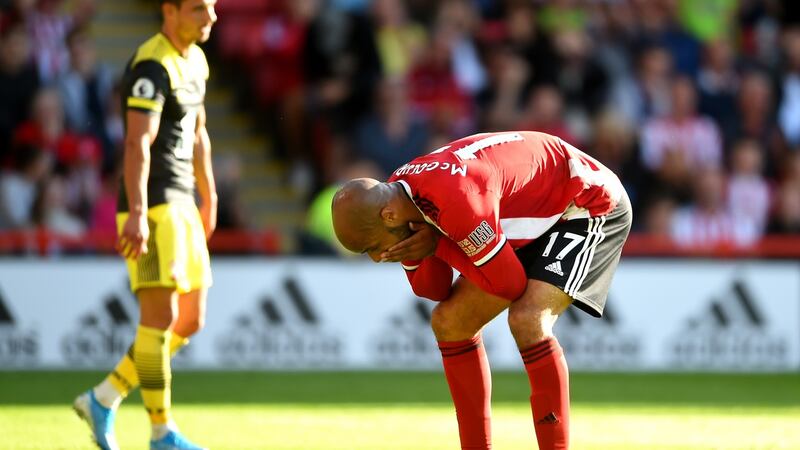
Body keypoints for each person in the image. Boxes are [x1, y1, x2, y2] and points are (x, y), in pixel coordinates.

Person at [332, 131, 632, 450]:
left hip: (585, 203)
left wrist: (438, 243)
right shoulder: (398, 197)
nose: (379, 258)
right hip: (531, 211)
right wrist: (428, 247)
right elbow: (431, 289)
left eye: (373, 248)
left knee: (528, 319)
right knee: (449, 322)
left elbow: (511, 284)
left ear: (387, 216)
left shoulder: (455, 198)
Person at [72, 1, 217, 449]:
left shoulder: (196, 59)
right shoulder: (151, 64)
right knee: (159, 319)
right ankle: (161, 433)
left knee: (189, 320)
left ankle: (104, 396)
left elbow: (198, 133)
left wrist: (208, 194)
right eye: (197, 8)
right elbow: (137, 142)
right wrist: (136, 213)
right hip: (153, 204)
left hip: (183, 204)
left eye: (212, 7)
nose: (209, 17)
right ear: (169, 11)